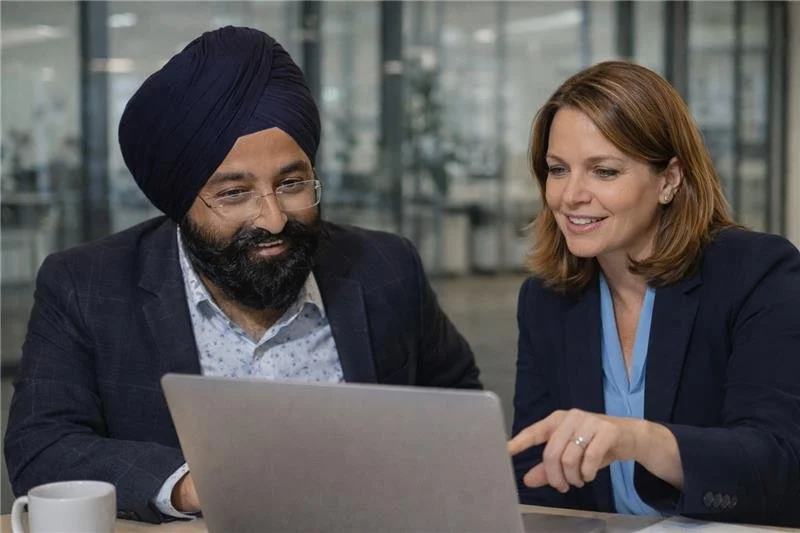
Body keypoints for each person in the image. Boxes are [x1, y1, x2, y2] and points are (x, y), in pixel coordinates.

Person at [4, 26, 481, 524]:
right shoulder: (88, 286)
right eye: (234, 194)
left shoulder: (386, 267)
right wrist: (195, 486)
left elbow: (460, 405)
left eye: (292, 183)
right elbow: (43, 447)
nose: (273, 218)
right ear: (180, 203)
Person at [506, 60, 800, 527]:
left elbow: (776, 462)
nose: (570, 195)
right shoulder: (546, 299)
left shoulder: (756, 273)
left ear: (669, 179)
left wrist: (639, 440)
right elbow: (534, 471)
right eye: (557, 170)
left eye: (603, 171)